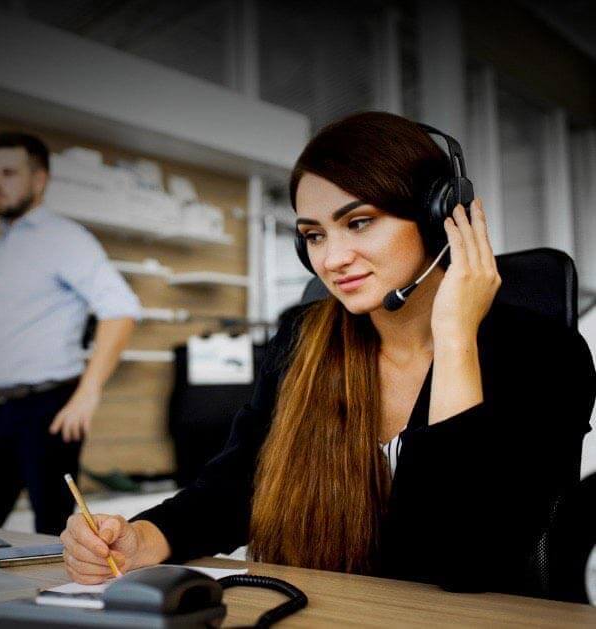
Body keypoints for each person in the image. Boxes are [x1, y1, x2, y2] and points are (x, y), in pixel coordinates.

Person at [59, 112, 596, 595]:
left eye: (359, 222)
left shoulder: (543, 353)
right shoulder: (304, 339)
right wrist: (145, 536)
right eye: (313, 235)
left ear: (438, 217)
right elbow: (240, 480)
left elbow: (464, 561)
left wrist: (455, 337)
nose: (333, 259)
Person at [0, 132, 140, 535]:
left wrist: (87, 394)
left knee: (52, 533)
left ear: (39, 180)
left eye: (9, 172)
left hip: (50, 409)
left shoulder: (65, 239)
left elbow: (122, 309)